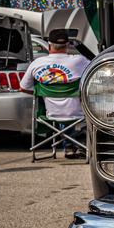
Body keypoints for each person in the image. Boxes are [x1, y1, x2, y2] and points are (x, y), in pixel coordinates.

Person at [20, 29, 90, 158]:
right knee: (79, 106)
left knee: (61, 105)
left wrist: (41, 92)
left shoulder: (37, 63)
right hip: (79, 114)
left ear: (49, 45)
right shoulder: (79, 61)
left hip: (51, 114)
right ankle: (84, 146)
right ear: (68, 45)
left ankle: (68, 145)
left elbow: (23, 88)